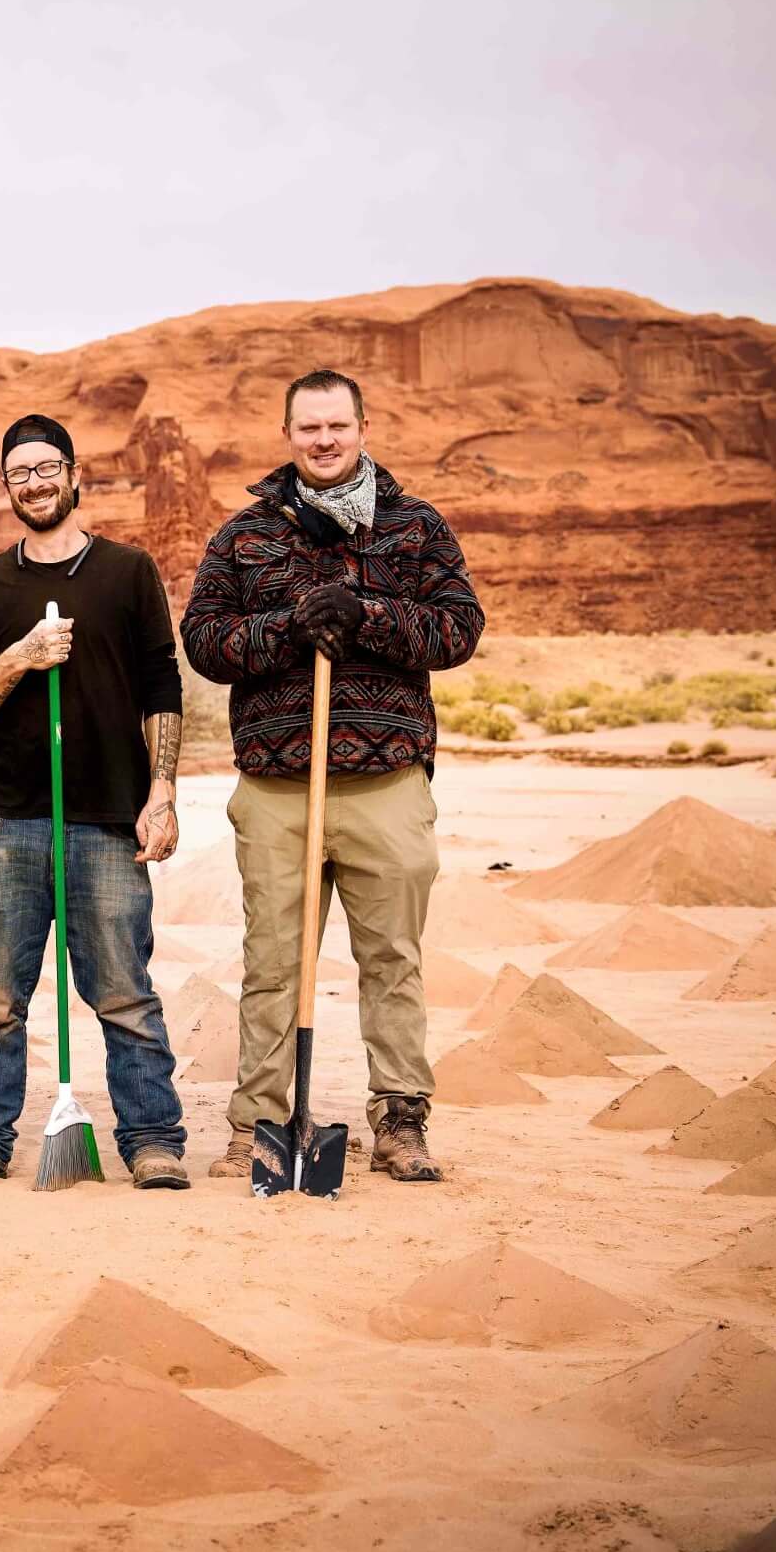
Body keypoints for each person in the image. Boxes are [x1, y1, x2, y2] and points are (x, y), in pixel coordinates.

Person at [181, 368, 484, 1184]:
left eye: (337, 427)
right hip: (279, 789)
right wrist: (288, 625)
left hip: (386, 784)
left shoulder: (416, 526)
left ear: (362, 427)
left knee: (393, 958)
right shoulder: (244, 536)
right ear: (288, 434)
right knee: (274, 962)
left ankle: (401, 1120)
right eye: (308, 428)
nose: (323, 441)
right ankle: (260, 1126)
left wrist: (369, 615)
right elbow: (205, 643)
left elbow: (459, 631)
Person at [0, 414, 189, 1187]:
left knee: (124, 993)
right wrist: (21, 656)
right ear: (5, 487)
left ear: (76, 475)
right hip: (12, 819)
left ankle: (153, 1142)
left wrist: (163, 791)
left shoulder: (128, 571)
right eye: (20, 474)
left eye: (48, 469)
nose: (36, 484)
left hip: (109, 821)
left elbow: (161, 689)